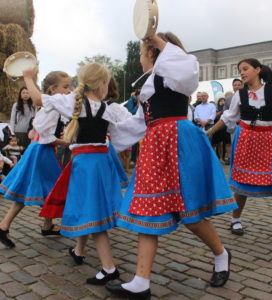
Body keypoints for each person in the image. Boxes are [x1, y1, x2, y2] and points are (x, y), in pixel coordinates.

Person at [105, 33, 237, 299]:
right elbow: (138, 123)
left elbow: (187, 66)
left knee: (190, 214)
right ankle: (141, 281)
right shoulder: (149, 86)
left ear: (152, 52)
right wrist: (104, 131)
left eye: (144, 51)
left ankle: (221, 254)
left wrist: (156, 40)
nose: (140, 57)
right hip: (155, 145)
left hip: (178, 141)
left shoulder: (175, 72)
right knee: (147, 208)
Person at [24, 63, 131, 285]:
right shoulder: (111, 109)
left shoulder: (73, 102)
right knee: (89, 207)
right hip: (101, 163)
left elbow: (37, 99)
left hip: (85, 165)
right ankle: (79, 251)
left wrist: (27, 77)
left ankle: (109, 268)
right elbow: (131, 128)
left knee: (92, 211)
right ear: (102, 84)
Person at [207, 57, 272, 236]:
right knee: (243, 182)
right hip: (246, 140)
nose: (241, 72)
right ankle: (235, 220)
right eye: (239, 70)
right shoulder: (239, 95)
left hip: (266, 140)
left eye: (245, 68)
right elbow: (228, 118)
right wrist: (208, 132)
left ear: (257, 70)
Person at [0, 71, 71, 249]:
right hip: (42, 151)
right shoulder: (51, 106)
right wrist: (67, 142)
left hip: (40, 150)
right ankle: (4, 226)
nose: (68, 91)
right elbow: (46, 136)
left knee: (49, 188)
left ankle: (46, 225)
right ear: (54, 89)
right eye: (65, 87)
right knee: (46, 187)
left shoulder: (51, 105)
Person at [212, 96, 231, 164]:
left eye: (223, 101)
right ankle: (218, 158)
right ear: (218, 102)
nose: (222, 102)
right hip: (218, 128)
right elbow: (214, 117)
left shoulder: (228, 109)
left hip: (225, 127)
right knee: (218, 144)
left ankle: (228, 158)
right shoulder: (215, 109)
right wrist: (220, 112)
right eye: (220, 101)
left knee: (227, 143)